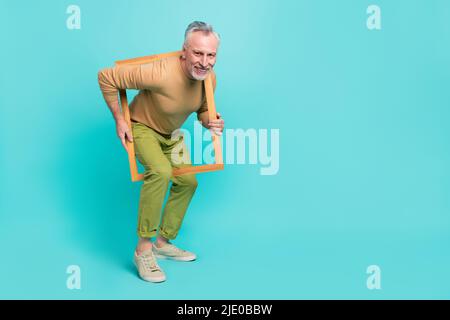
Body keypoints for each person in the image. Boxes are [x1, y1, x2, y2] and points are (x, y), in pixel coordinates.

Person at [97, 21, 224, 283]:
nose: (204, 61)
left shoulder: (209, 79)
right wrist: (120, 119)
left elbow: (201, 110)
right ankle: (143, 251)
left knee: (188, 181)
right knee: (161, 172)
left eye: (211, 54)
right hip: (142, 127)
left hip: (171, 135)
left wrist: (209, 119)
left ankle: (162, 243)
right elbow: (106, 77)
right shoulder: (160, 72)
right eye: (198, 53)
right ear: (184, 51)